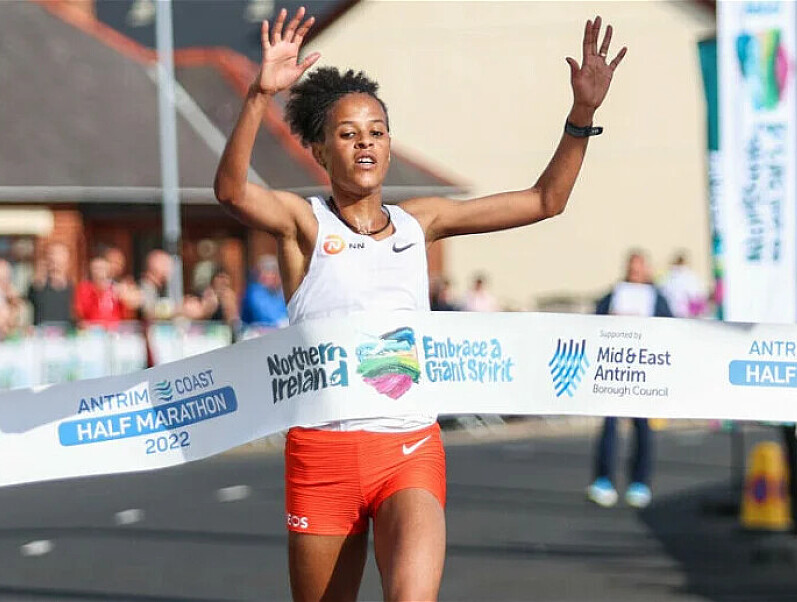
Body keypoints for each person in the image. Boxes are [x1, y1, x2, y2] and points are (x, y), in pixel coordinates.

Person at [212, 8, 625, 600]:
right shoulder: (304, 224)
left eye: (377, 131)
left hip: (407, 447)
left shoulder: (419, 223)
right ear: (320, 151)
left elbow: (544, 200)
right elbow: (230, 191)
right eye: (348, 134)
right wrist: (259, 95)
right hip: (323, 453)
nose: (365, 142)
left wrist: (582, 114)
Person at [587, 250, 673, 510]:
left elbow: (669, 327)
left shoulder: (656, 297)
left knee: (643, 428)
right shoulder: (614, 294)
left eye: (639, 268)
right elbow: (595, 321)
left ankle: (639, 482)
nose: (635, 273)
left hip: (644, 371)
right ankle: (604, 480)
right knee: (609, 426)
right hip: (614, 370)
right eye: (631, 268)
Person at [74, 256, 139, 330]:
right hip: (92, 332)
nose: (99, 272)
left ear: (109, 270)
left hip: (114, 331)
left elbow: (133, 306)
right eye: (96, 269)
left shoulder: (117, 288)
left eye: (102, 268)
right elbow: (80, 314)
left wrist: (124, 296)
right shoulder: (84, 289)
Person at [27, 242, 76, 328]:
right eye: (51, 254)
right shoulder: (37, 287)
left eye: (59, 254)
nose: (54, 258)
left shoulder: (73, 288)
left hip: (65, 333)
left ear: (67, 262)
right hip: (42, 333)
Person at [240, 254, 289, 328]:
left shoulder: (280, 292)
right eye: (270, 273)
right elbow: (265, 316)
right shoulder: (254, 293)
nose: (277, 278)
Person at [658, 250, 707, 318]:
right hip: (685, 313)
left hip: (672, 312)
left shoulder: (668, 276)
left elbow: (662, 291)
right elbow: (696, 294)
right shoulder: (690, 276)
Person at [138, 249, 173, 320]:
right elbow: (148, 313)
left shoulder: (158, 288)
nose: (170, 269)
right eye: (166, 265)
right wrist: (178, 311)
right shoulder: (145, 287)